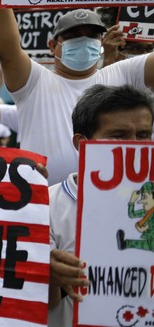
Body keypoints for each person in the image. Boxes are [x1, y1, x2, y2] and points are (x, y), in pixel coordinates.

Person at [0, 1, 154, 185]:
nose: (84, 41)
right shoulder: (32, 81)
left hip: (114, 200)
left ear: (100, 42)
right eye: (73, 36)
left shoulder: (125, 72)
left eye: (92, 35)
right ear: (53, 46)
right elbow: (8, 48)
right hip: (46, 206)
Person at [48, 84, 154, 327]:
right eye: (118, 135)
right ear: (81, 142)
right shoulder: (45, 206)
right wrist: (46, 272)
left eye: (143, 135)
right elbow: (41, 301)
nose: (134, 145)